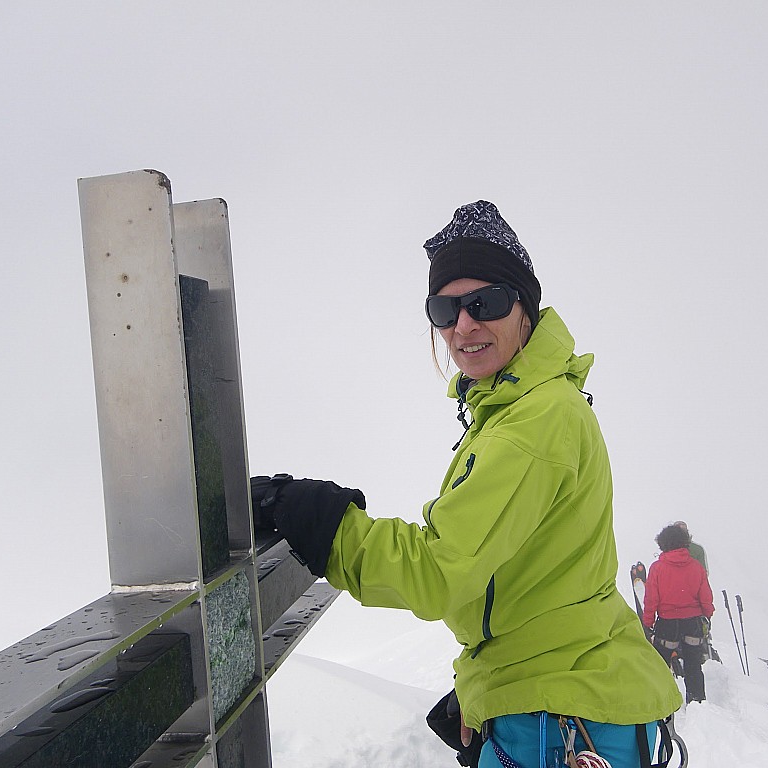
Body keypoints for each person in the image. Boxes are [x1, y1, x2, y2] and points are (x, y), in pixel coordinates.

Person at [252, 201, 682, 768]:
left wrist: (319, 520)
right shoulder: (525, 406)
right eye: (444, 309)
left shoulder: (533, 421)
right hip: (561, 698)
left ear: (524, 307)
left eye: (486, 303)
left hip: (561, 721)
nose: (463, 326)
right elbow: (527, 577)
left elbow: (437, 572)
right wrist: (486, 686)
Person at [642, 524, 715, 703]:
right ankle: (697, 701)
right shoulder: (696, 567)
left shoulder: (657, 568)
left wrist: (648, 621)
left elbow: (651, 599)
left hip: (667, 624)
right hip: (693, 623)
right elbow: (706, 596)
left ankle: (660, 701)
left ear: (663, 543)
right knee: (693, 665)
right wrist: (707, 614)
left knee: (660, 665)